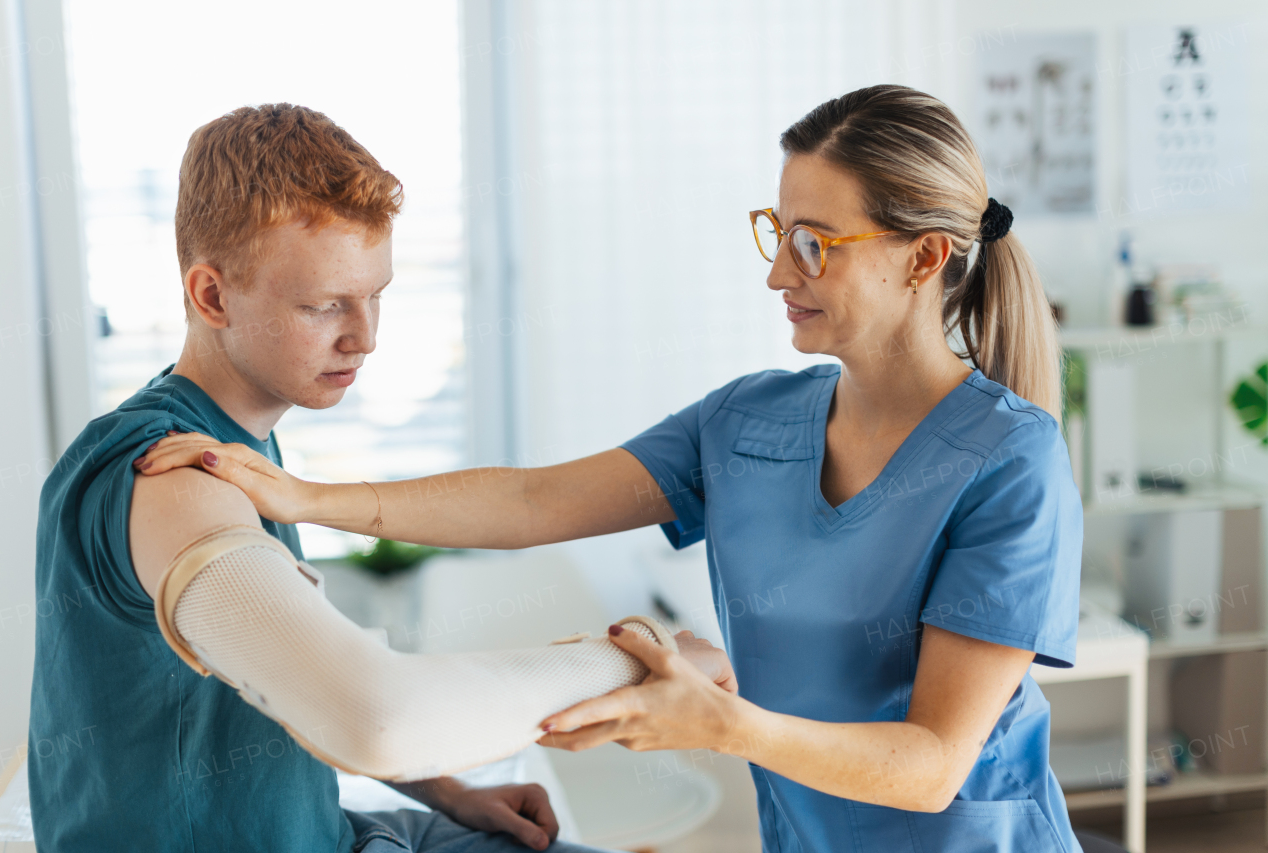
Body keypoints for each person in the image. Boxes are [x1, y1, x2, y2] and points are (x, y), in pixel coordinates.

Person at [140, 85, 1083, 853]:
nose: (778, 274)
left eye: (814, 245)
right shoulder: (751, 420)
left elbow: (932, 765)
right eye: (778, 231)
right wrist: (306, 496)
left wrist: (723, 724)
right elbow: (531, 498)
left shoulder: (1009, 459)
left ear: (923, 257)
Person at [31, 103, 707, 853]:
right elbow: (380, 718)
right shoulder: (173, 474)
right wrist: (647, 656)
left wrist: (450, 793)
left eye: (375, 295)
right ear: (212, 296)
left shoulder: (239, 445)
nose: (366, 337)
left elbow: (290, 673)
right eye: (324, 305)